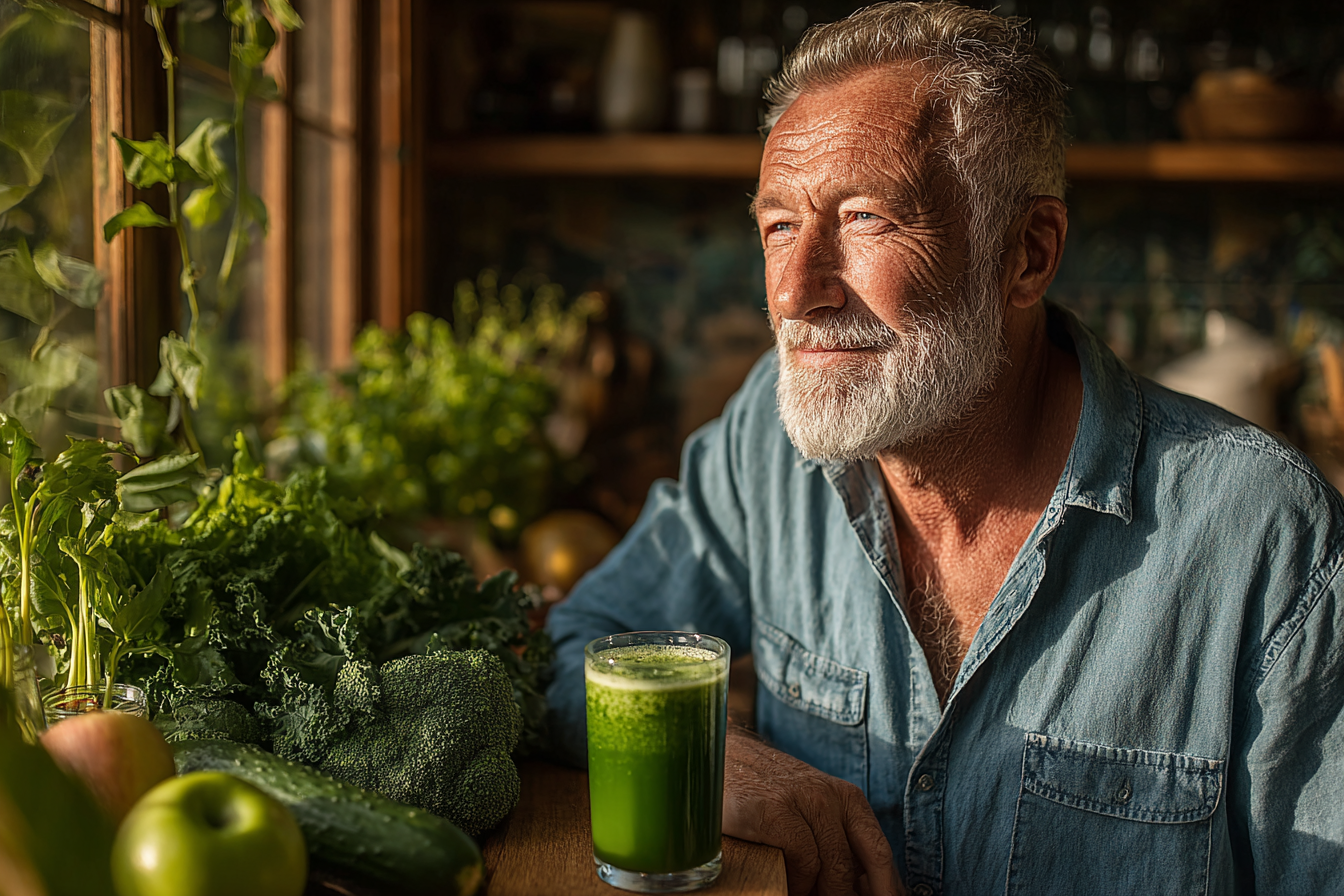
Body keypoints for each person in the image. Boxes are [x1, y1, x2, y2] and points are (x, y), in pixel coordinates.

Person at [546, 3, 1344, 894]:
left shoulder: (1265, 535)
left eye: (866, 218)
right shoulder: (763, 446)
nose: (795, 291)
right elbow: (583, 645)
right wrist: (712, 759)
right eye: (777, 226)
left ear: (1028, 254)